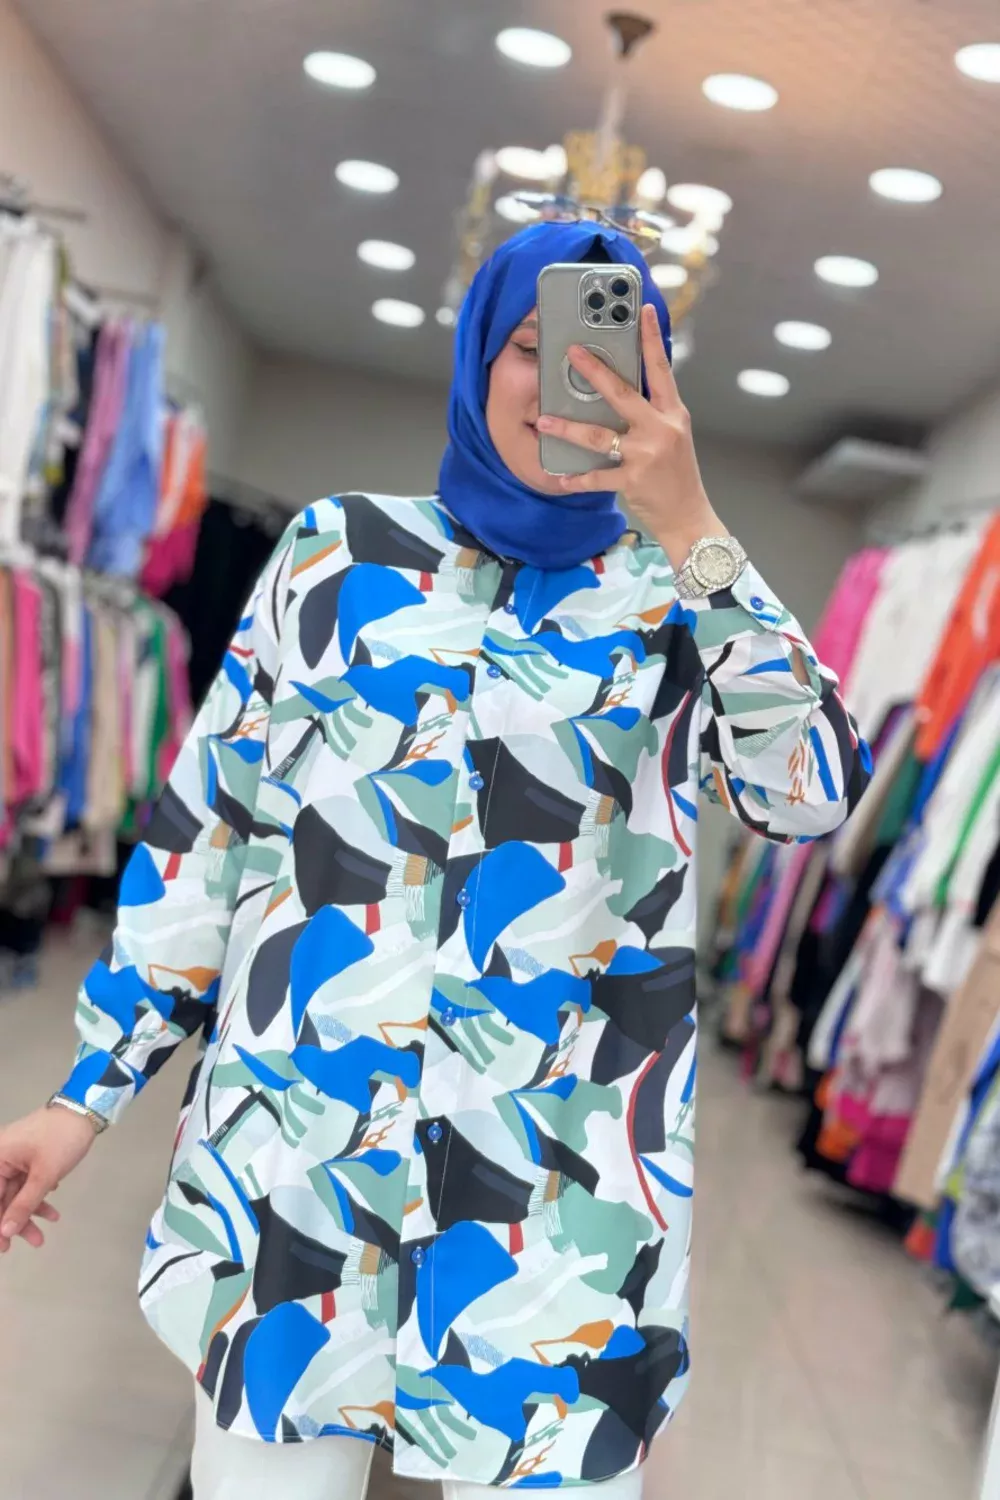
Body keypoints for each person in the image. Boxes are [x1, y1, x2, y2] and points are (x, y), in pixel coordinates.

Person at [0, 221, 869, 1498]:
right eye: (533, 348)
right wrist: (84, 1095)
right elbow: (208, 842)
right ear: (476, 359)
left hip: (556, 1212)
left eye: (617, 361)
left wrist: (695, 530)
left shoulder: (678, 603)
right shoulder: (336, 552)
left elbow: (811, 796)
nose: (571, 383)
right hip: (294, 1180)